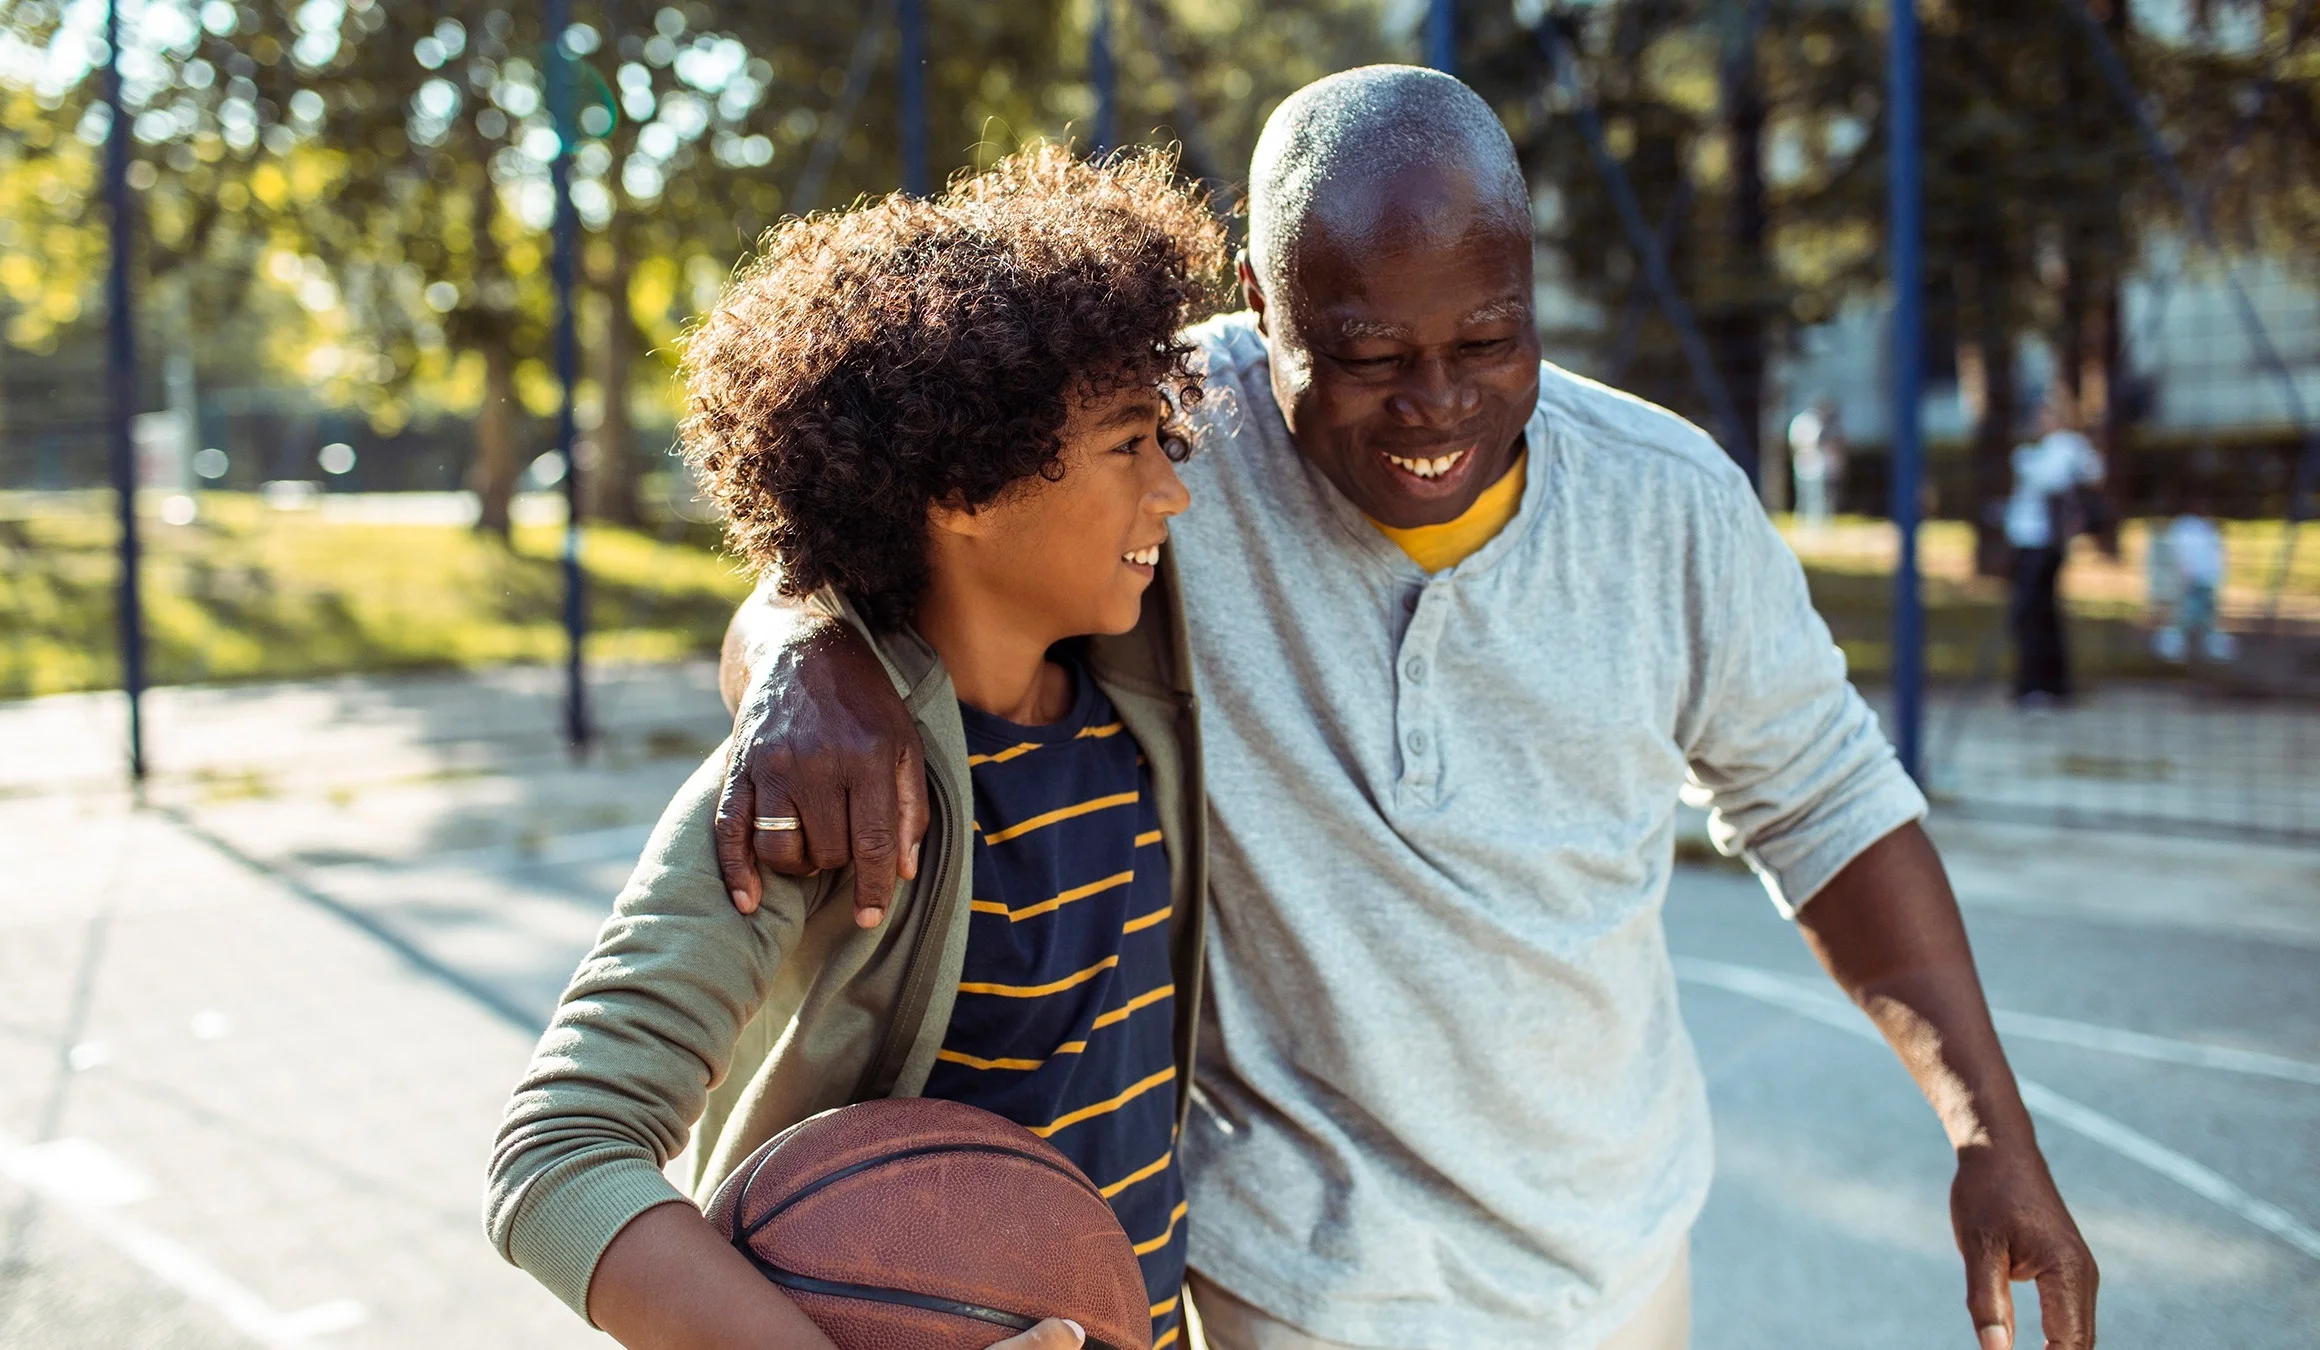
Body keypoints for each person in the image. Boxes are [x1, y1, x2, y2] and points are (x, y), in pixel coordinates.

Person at [715, 68, 2097, 1350]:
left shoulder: (1669, 505)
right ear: (1262, 301)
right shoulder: (1158, 459)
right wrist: (808, 647)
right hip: (1304, 1275)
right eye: (1370, 356)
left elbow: (1828, 803)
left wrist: (1990, 1130)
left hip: (1615, 1255)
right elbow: (871, 544)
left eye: (1490, 339)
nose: (1437, 406)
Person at [484, 145, 1226, 1350]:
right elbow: (556, 1155)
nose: (1174, 493)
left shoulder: (1135, 691)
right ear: (964, 490)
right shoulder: (817, 792)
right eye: (1128, 445)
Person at [2004, 399, 2107, 706]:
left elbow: (2054, 480)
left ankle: (2038, 686)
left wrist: (2025, 463)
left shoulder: (2064, 446)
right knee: (2042, 613)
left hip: (2040, 543)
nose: (2040, 420)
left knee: (2033, 614)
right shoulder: (2057, 448)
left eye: (2045, 413)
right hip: (2033, 541)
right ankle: (2050, 684)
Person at [2152, 494, 2232, 664]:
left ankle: (2209, 650)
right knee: (2183, 617)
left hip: (2206, 580)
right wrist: (2184, 575)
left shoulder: (2206, 528)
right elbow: (2180, 554)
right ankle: (2172, 649)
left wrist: (2214, 576)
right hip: (2190, 580)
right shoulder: (2184, 527)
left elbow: (2214, 555)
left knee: (2206, 618)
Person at [1787, 399, 1845, 531]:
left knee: (1815, 495)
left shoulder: (1806, 422)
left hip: (1813, 465)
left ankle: (1816, 523)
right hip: (1807, 463)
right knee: (1807, 495)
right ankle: (1808, 523)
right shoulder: (1810, 422)